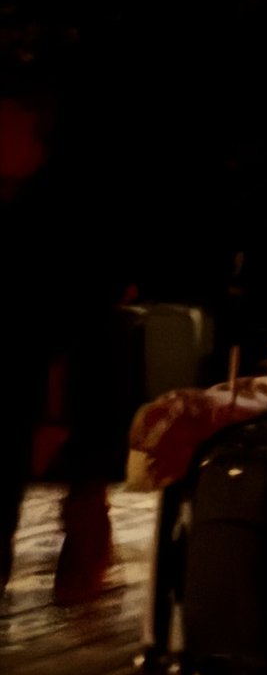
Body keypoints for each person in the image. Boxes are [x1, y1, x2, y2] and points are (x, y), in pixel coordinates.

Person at [0, 56, 123, 603]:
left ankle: (82, 574)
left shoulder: (57, 220)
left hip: (33, 388)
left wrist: (54, 415)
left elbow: (71, 327)